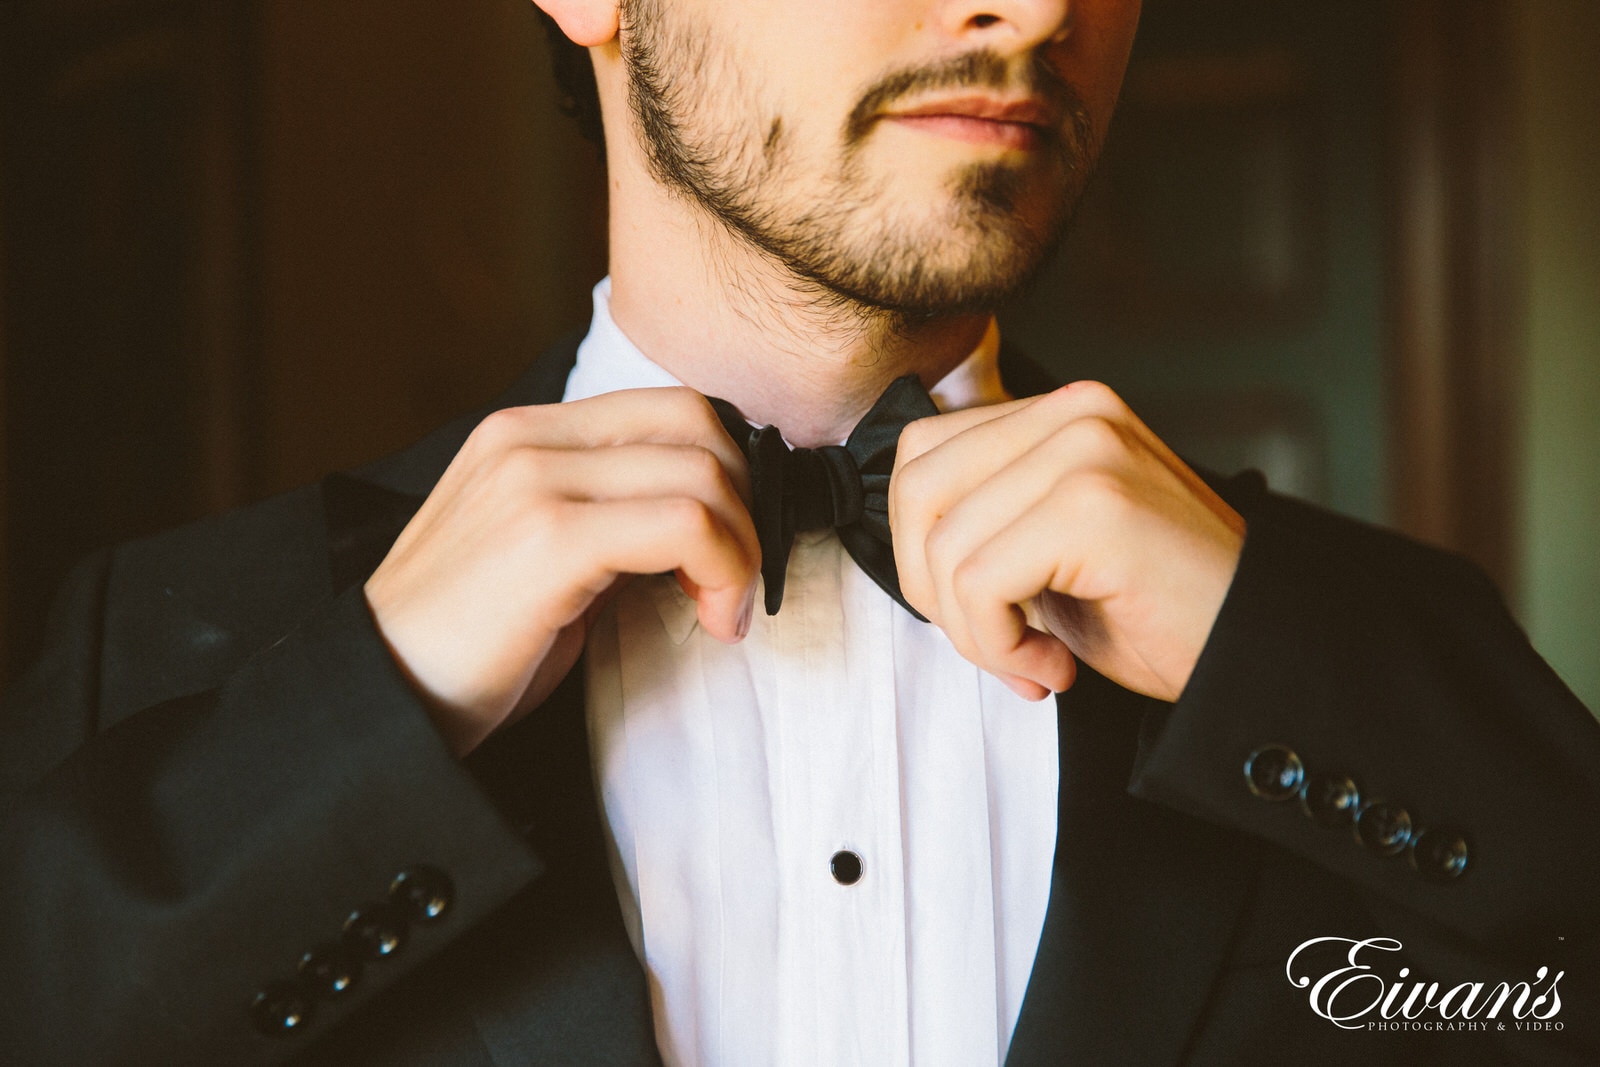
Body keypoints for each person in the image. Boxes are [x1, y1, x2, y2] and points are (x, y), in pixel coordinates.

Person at [2, 0, 1596, 1064]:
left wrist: (1292, 670)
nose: (1039, 9)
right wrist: (365, 720)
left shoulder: (1392, 665)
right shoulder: (151, 657)